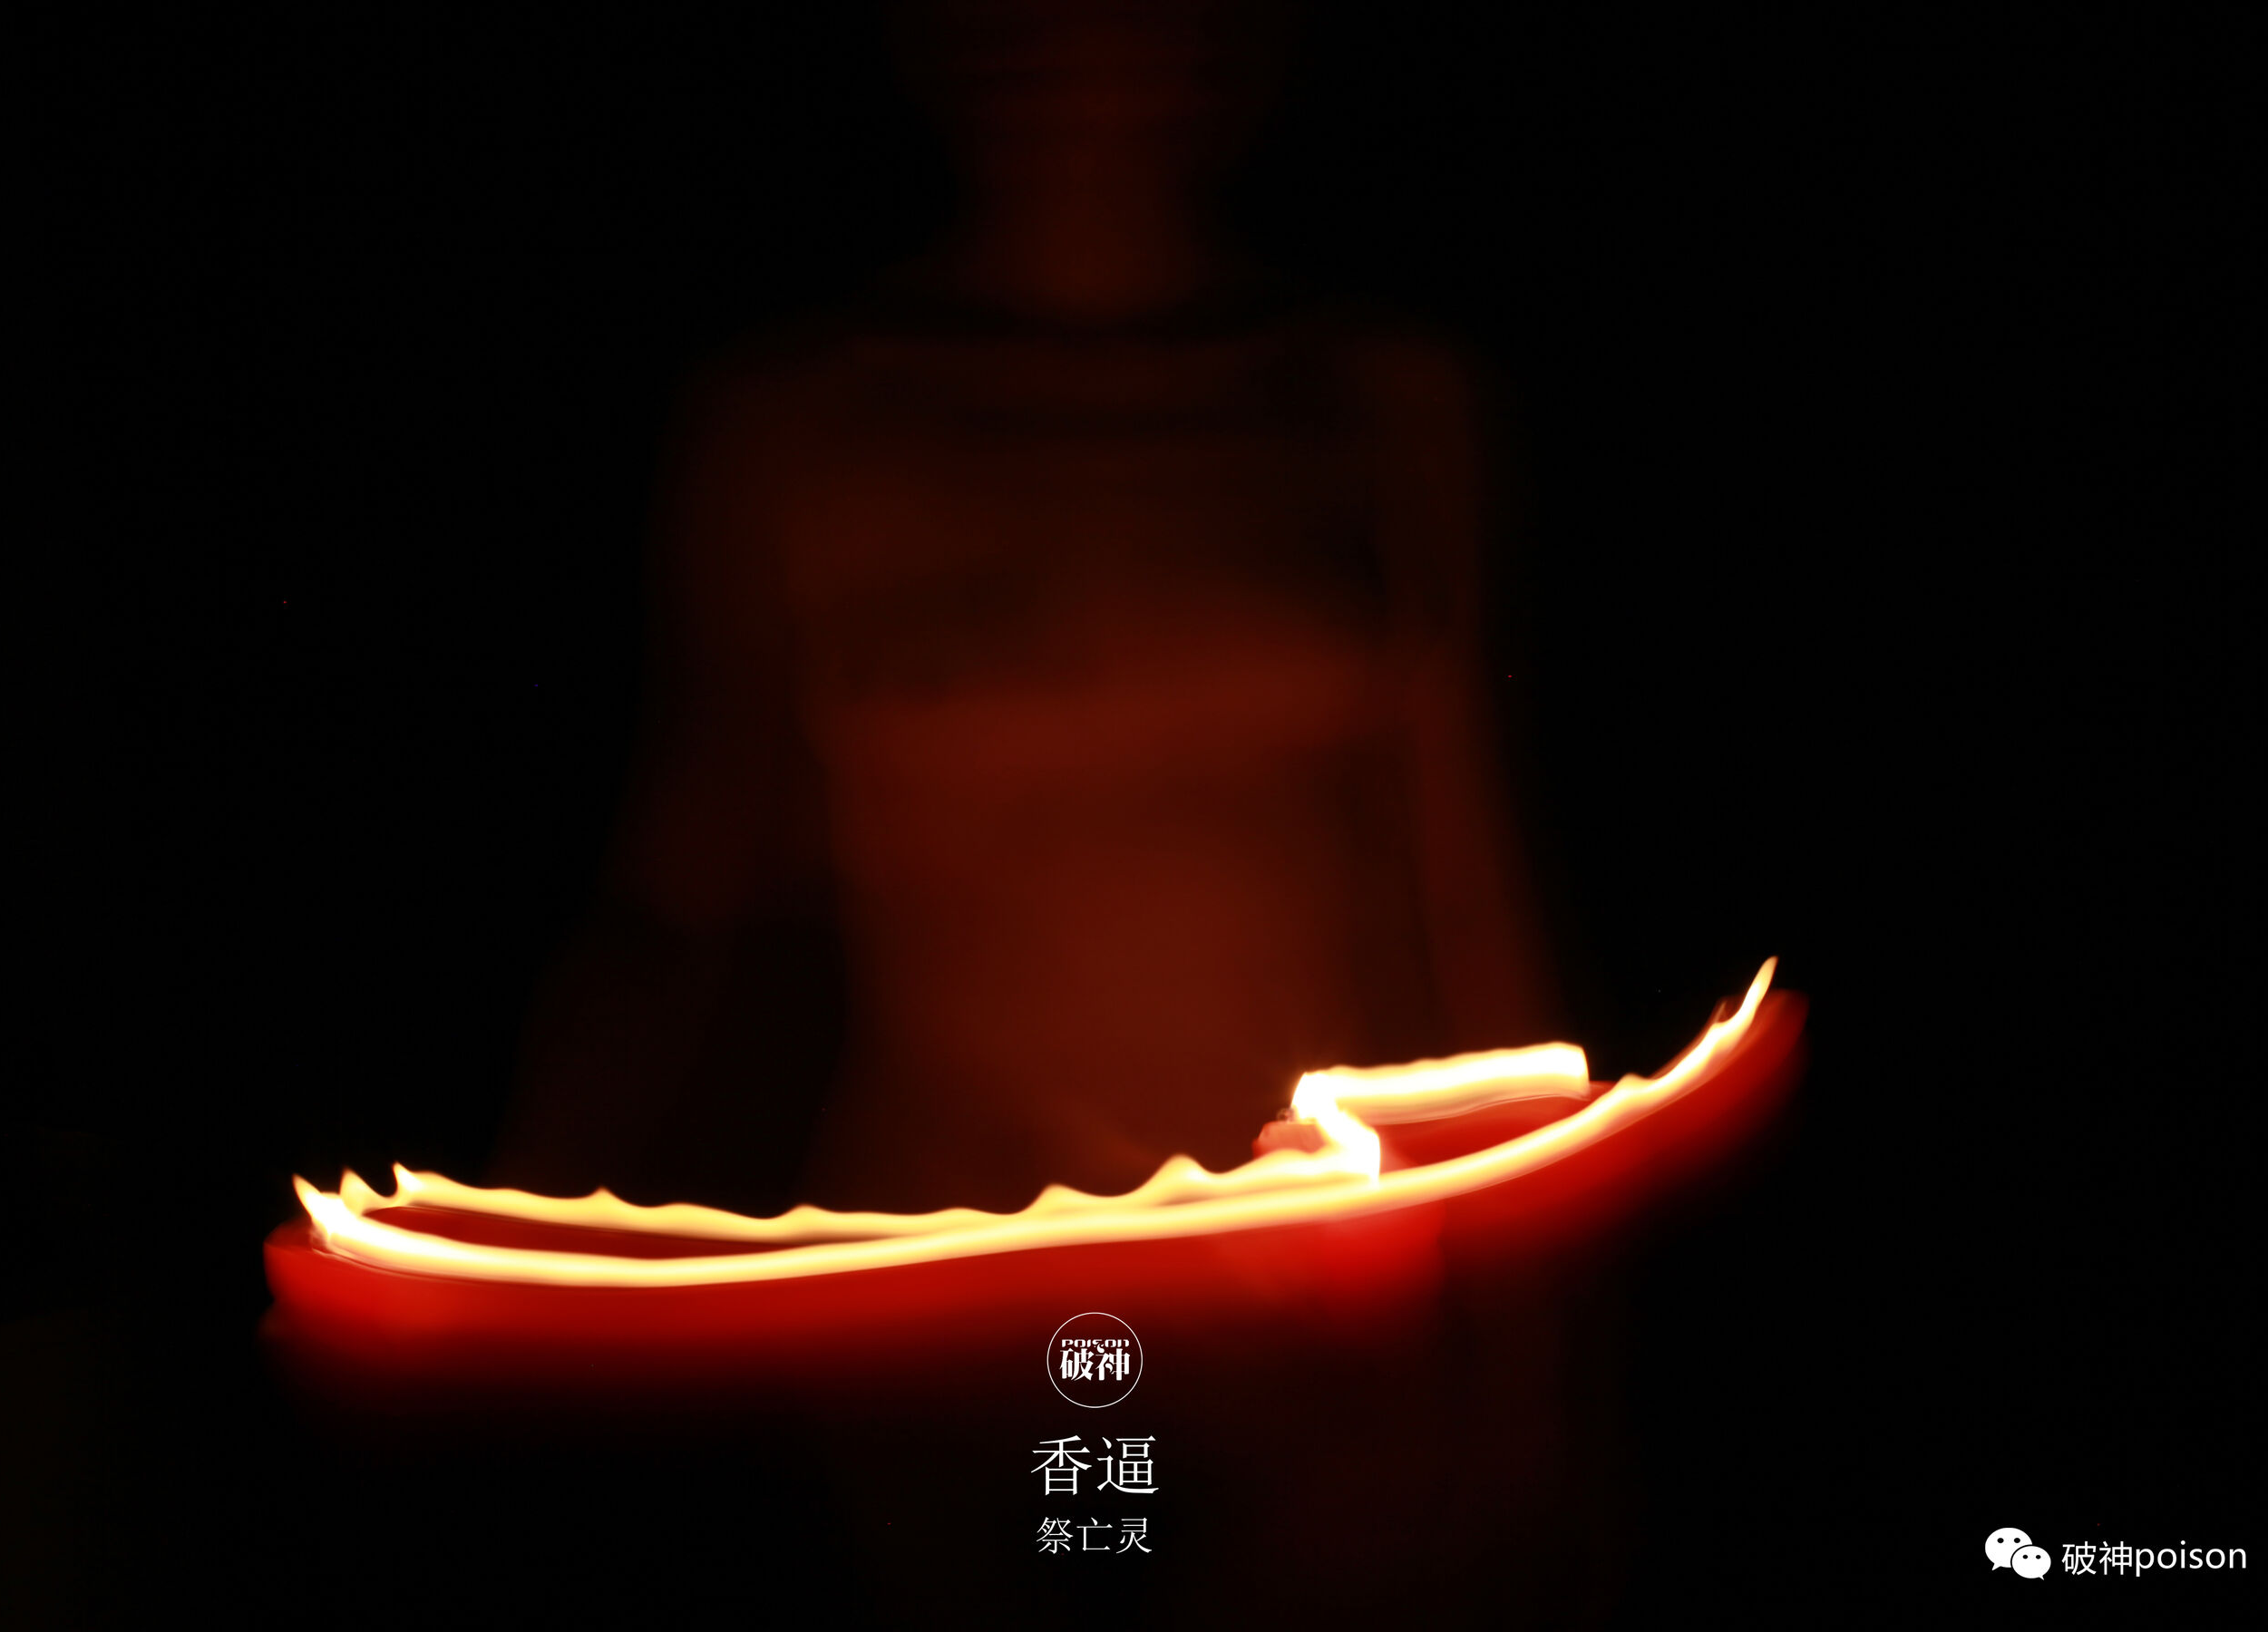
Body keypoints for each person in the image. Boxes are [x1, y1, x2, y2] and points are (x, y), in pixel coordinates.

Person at [494, 0, 1560, 1221]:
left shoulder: (1382, 407)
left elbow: (1472, 899)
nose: (1086, 43)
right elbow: (680, 908)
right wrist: (485, 1240)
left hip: (1324, 1263)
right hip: (950, 1260)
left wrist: (1546, 1281)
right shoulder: (803, 432)